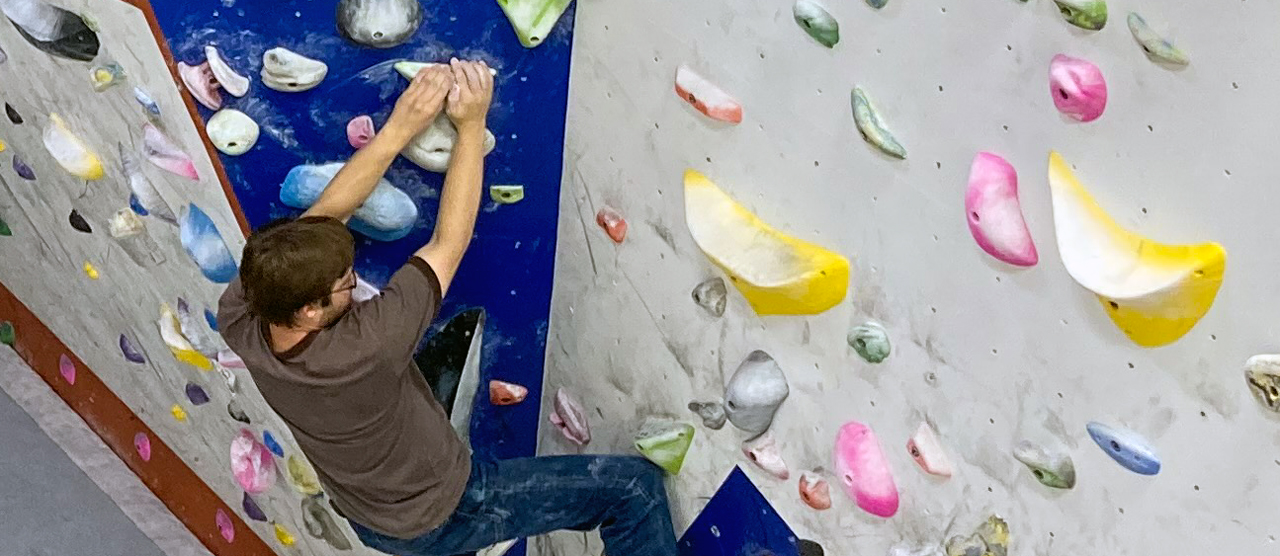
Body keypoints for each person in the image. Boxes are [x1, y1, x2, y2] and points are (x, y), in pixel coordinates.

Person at [217, 59, 680, 556]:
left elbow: (324, 219)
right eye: (346, 282)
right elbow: (448, 243)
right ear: (310, 310)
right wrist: (472, 125)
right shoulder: (366, 346)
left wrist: (399, 128)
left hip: (369, 514)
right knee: (632, 492)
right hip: (445, 512)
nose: (353, 281)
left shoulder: (243, 313)